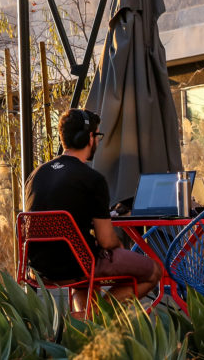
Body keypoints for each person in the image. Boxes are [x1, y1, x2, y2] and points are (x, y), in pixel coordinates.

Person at [25, 108, 162, 308]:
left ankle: (86, 324)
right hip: (78, 267)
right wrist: (121, 253)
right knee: (154, 271)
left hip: (37, 270)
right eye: (97, 135)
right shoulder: (92, 179)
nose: (97, 141)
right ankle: (99, 317)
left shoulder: (36, 175)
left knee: (85, 258)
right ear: (88, 138)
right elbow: (107, 241)